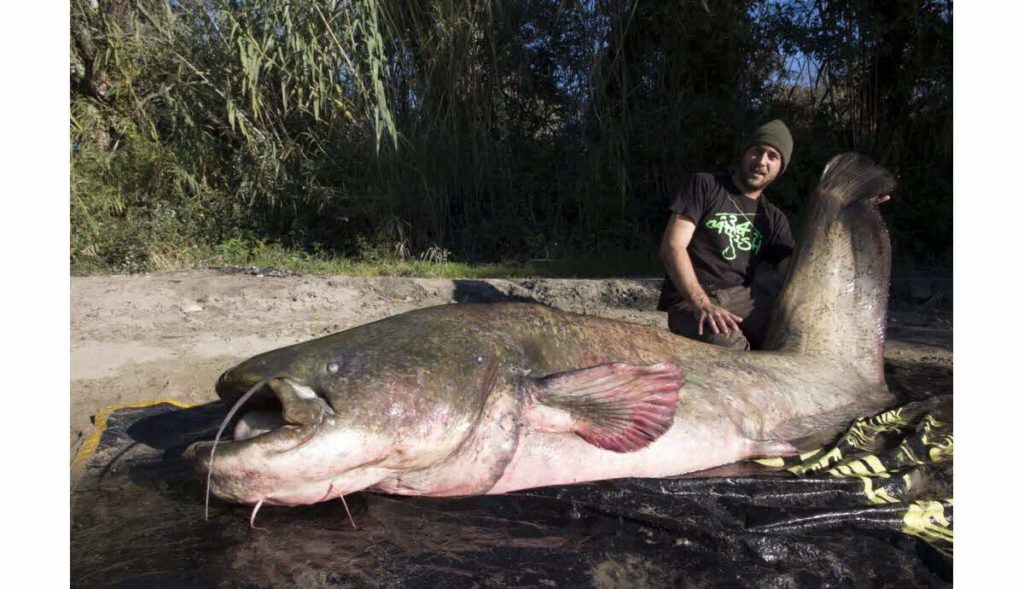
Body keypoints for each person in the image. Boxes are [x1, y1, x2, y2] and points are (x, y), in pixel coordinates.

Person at [656, 120, 795, 350]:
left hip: (742, 300)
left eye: (772, 156)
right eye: (757, 151)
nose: (762, 161)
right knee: (730, 348)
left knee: (789, 339)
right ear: (744, 153)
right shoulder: (705, 186)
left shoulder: (774, 219)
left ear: (780, 168)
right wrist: (701, 304)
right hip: (690, 298)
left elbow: (793, 275)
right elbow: (672, 247)